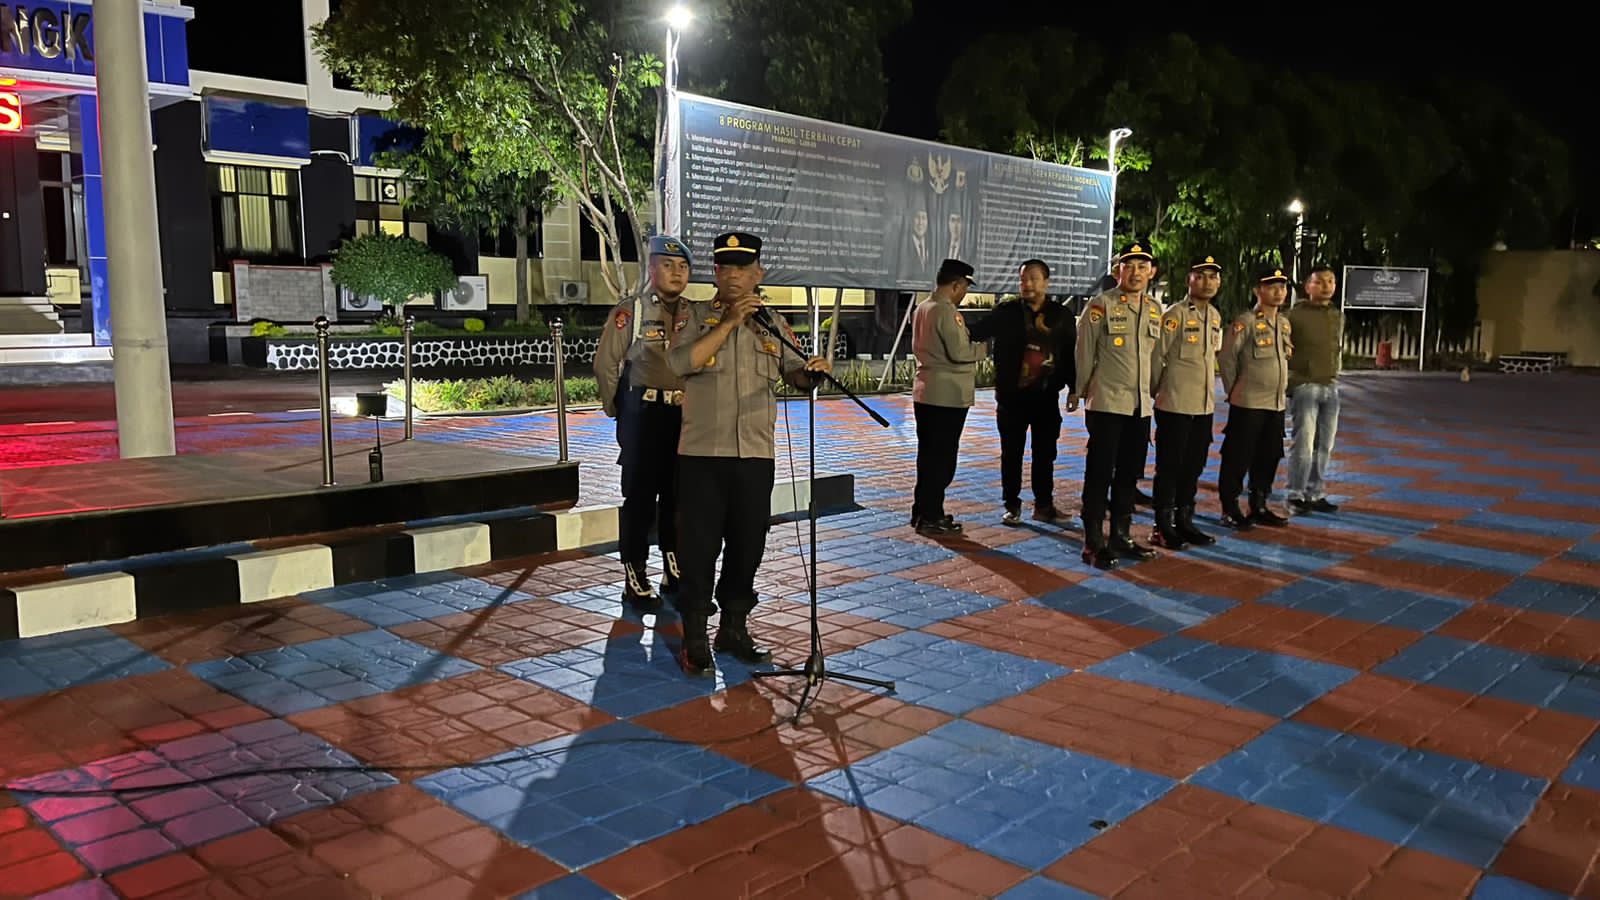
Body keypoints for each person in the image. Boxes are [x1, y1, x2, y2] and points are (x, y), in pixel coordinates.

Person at [668, 232, 832, 676]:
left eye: (743, 268)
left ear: (758, 273)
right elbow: (680, 364)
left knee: (748, 546)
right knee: (698, 548)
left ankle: (734, 629)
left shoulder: (772, 322)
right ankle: (695, 636)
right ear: (716, 273)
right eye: (725, 268)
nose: (734, 276)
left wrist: (813, 372)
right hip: (703, 455)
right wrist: (727, 324)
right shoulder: (694, 316)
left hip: (756, 454)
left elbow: (796, 373)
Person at [593, 235, 694, 612]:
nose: (676, 273)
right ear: (652, 268)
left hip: (682, 416)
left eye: (682, 267)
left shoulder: (693, 313)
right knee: (639, 499)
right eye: (668, 265)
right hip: (643, 416)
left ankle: (673, 567)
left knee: (677, 496)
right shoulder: (632, 310)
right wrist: (615, 408)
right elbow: (606, 363)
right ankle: (634, 574)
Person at [966, 259, 1077, 525]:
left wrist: (1074, 388)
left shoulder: (1061, 315)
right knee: (1011, 454)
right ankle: (1012, 505)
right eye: (1023, 279)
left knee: (1045, 454)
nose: (1027, 284)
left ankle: (1044, 505)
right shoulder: (1007, 312)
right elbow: (976, 332)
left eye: (1033, 278)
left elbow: (1068, 354)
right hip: (1011, 399)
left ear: (1046, 282)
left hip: (1046, 398)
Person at [1075, 242, 1165, 570]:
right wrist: (1079, 390)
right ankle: (1093, 540)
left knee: (1129, 474)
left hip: (1140, 406)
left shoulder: (1154, 309)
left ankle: (1121, 535)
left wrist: (1153, 392)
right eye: (1130, 266)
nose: (1136, 272)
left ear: (1151, 272)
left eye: (1143, 266)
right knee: (1100, 473)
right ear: (1118, 271)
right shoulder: (1101, 305)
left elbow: (1156, 358)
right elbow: (1084, 350)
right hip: (1107, 403)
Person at [1148, 254, 1226, 549]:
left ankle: (1184, 520)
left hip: (1203, 406)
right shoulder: (1175, 315)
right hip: (1175, 404)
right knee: (1169, 467)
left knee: (1193, 466)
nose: (1207, 282)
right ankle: (1162, 525)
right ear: (1189, 280)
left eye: (1213, 277)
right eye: (1200, 276)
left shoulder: (1214, 316)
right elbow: (1157, 358)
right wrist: (1156, 391)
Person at [1218, 266, 1294, 529]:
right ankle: (1230, 508)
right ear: (1257, 290)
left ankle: (1258, 504)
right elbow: (1227, 358)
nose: (1278, 292)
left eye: (1282, 287)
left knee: (1269, 455)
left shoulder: (1283, 323)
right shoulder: (1246, 321)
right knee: (1238, 457)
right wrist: (1234, 390)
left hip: (1275, 403)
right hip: (1248, 402)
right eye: (1272, 286)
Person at [910, 258, 979, 536]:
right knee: (942, 460)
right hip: (947, 396)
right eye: (965, 287)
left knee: (927, 458)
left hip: (925, 392)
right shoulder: (946, 311)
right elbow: (959, 352)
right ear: (956, 285)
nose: (964, 293)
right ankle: (931, 515)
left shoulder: (922, 307)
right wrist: (983, 349)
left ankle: (922, 511)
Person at [1286, 264, 1343, 515]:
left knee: (1325, 445)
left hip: (1330, 386)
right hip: (1305, 386)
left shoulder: (1336, 315)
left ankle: (1315, 492)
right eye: (1319, 281)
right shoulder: (1294, 316)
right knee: (1303, 445)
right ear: (1307, 286)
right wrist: (1292, 381)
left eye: (1330, 281)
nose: (1326, 286)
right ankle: (1295, 494)